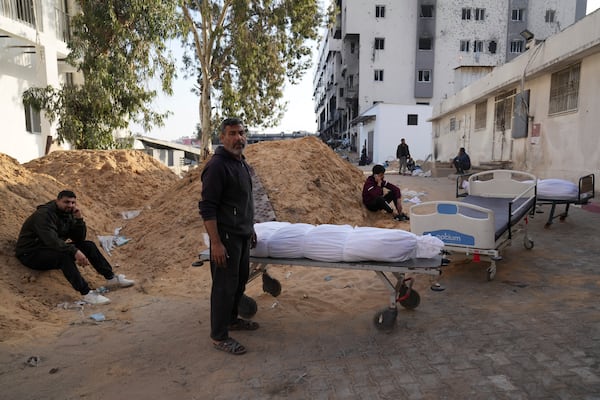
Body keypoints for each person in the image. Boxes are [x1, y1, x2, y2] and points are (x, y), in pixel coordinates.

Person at [199, 117, 258, 356]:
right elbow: (207, 208)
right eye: (232, 133)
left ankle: (232, 320)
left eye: (241, 133)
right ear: (222, 137)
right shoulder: (217, 166)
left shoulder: (241, 162)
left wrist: (250, 227)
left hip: (242, 234)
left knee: (240, 281)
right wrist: (215, 243)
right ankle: (219, 335)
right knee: (224, 287)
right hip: (225, 237)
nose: (239, 138)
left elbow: (244, 201)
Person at [15, 190, 135, 305]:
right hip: (30, 254)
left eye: (73, 202)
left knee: (88, 245)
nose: (70, 205)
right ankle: (87, 294)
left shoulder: (68, 214)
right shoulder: (44, 215)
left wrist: (79, 219)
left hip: (49, 249)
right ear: (57, 201)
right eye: (66, 202)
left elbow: (79, 239)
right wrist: (75, 251)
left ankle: (111, 278)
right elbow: (51, 240)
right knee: (64, 256)